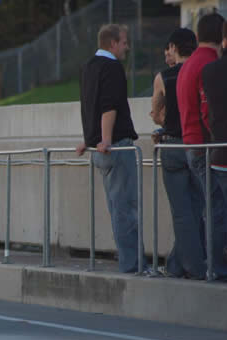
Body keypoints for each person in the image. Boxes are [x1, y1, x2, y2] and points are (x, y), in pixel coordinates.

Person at [76, 24, 144, 273]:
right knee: (126, 209)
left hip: (99, 150)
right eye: (124, 42)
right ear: (112, 43)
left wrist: (89, 139)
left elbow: (88, 106)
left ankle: (130, 263)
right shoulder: (112, 67)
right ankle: (133, 265)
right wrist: (105, 139)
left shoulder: (88, 67)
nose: (127, 47)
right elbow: (108, 106)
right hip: (115, 147)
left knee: (117, 208)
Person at [176, 13, 227, 279]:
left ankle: (208, 265)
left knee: (208, 209)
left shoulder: (189, 64)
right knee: (217, 210)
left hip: (190, 143)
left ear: (198, 36)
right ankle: (219, 267)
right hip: (206, 146)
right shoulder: (209, 64)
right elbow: (208, 110)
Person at [149, 28, 205, 279]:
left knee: (182, 213)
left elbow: (156, 114)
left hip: (171, 146)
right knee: (200, 208)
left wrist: (164, 123)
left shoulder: (163, 77)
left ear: (173, 47)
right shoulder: (200, 71)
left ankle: (192, 268)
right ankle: (178, 265)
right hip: (198, 145)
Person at [202, 18, 227, 264]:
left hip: (220, 155)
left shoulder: (210, 71)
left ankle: (219, 266)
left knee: (220, 213)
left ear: (225, 41)